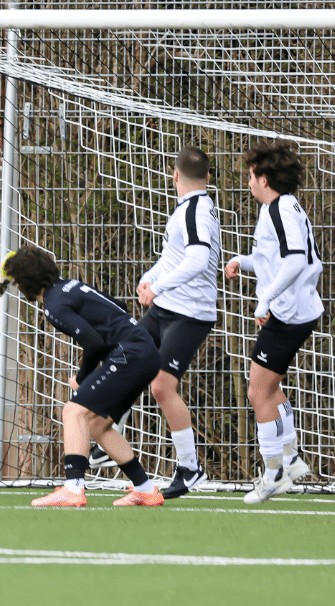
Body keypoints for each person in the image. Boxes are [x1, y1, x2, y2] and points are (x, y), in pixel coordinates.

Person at [0, 247, 164, 507]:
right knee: (98, 425)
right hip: (145, 352)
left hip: (131, 353)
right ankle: (145, 489)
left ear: (25, 283)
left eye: (17, 283)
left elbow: (92, 342)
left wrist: (83, 376)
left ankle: (73, 487)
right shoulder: (71, 286)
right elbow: (118, 306)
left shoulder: (53, 304)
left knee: (73, 412)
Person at [224, 139, 321, 505]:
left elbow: (296, 260)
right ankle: (291, 457)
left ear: (265, 179)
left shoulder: (279, 209)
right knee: (271, 387)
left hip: (288, 314)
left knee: (256, 391)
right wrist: (243, 261)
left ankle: (274, 472)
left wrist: (264, 299)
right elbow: (275, 258)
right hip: (298, 311)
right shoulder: (282, 207)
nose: (248, 182)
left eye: (251, 175)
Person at [131, 146, 220, 499]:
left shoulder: (196, 211)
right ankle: (103, 438)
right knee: (124, 358)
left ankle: (190, 468)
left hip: (190, 313)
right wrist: (150, 277)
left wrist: (159, 286)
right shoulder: (188, 208)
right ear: (208, 178)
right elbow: (173, 257)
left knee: (161, 388)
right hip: (165, 307)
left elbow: (198, 260)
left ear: (174, 175)